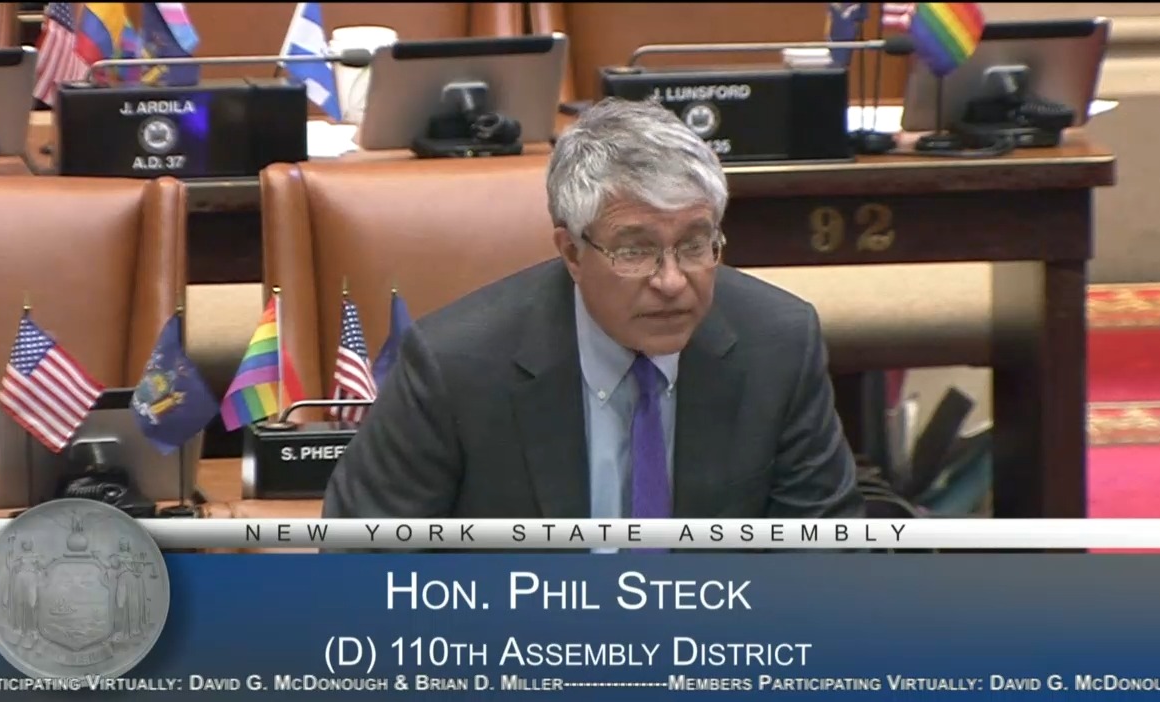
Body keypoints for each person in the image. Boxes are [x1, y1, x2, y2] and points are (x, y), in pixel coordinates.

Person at [323, 98, 864, 525]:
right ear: (572, 253)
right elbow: (365, 567)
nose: (672, 281)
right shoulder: (454, 368)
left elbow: (824, 556)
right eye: (635, 251)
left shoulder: (780, 345)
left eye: (695, 245)